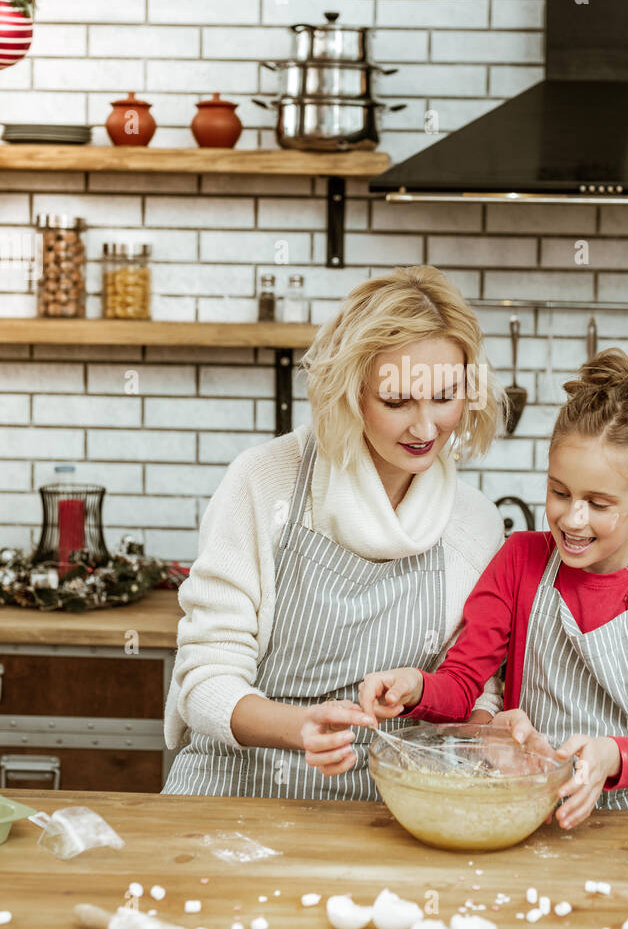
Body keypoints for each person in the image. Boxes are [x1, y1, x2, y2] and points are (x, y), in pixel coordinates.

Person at [162, 265, 508, 799]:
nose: (424, 428)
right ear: (350, 391)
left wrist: (490, 729)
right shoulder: (266, 481)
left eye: (445, 397)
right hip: (236, 791)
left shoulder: (476, 523)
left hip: (392, 807)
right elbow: (203, 679)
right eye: (396, 401)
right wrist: (297, 729)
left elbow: (475, 688)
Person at [360, 348, 628, 824]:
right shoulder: (520, 559)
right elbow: (462, 686)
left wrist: (608, 757)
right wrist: (416, 686)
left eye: (599, 504)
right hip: (535, 810)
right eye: (559, 492)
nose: (572, 518)